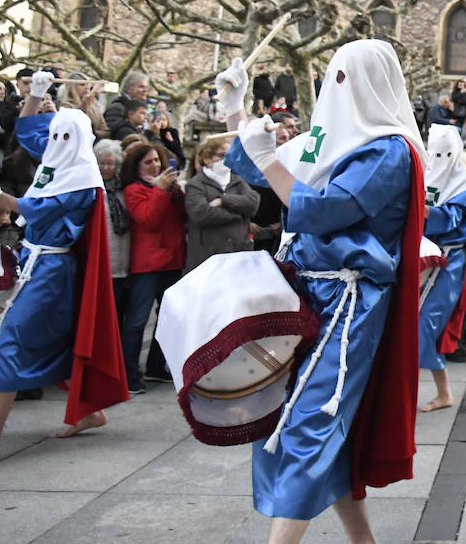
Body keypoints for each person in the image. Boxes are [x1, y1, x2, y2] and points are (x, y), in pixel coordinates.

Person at [223, 41, 425, 542]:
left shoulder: (388, 149)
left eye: (341, 78)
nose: (331, 89)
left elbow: (324, 208)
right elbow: (258, 166)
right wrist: (234, 109)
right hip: (304, 295)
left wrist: (270, 160)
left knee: (309, 420)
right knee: (298, 418)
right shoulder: (329, 141)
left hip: (349, 300)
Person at [0, 74, 128, 464]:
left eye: (58, 135)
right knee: (49, 340)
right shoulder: (57, 156)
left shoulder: (81, 179)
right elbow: (27, 130)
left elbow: (31, 208)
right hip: (34, 262)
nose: (49, 141)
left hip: (49, 270)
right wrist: (35, 93)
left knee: (10, 343)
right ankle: (88, 410)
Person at [419, 124, 466, 411]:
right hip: (422, 257)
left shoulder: (465, 183)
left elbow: (454, 220)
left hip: (449, 262)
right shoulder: (426, 172)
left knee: (427, 324)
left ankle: (436, 392)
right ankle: (442, 393)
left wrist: (425, 210)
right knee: (415, 324)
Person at [121, 141, 185, 391]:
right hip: (147, 264)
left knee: (167, 319)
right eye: (148, 162)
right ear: (137, 166)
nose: (155, 165)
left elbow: (183, 217)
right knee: (137, 321)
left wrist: (176, 194)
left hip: (172, 259)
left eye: (157, 160)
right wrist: (160, 190)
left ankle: (156, 367)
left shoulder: (165, 187)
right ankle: (129, 374)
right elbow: (149, 220)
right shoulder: (134, 190)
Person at [183, 136, 260, 272]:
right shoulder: (195, 184)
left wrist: (224, 200)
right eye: (222, 155)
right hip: (208, 257)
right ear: (207, 158)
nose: (227, 159)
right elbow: (202, 215)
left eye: (229, 155)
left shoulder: (237, 180)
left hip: (238, 254)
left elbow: (253, 204)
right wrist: (240, 215)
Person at [94, 140, 131, 323]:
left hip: (123, 259)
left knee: (119, 313)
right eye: (102, 163)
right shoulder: (92, 190)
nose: (106, 168)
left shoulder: (122, 189)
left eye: (110, 163)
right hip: (102, 261)